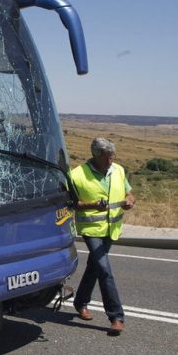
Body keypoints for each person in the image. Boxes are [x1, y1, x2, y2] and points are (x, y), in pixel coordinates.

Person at [70, 137, 135, 336]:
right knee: (104, 270)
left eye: (113, 155)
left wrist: (130, 201)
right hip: (91, 230)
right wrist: (92, 205)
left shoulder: (118, 170)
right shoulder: (76, 175)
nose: (111, 160)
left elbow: (129, 193)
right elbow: (72, 203)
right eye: (108, 157)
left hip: (112, 228)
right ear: (96, 156)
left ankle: (80, 302)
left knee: (94, 267)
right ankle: (116, 316)